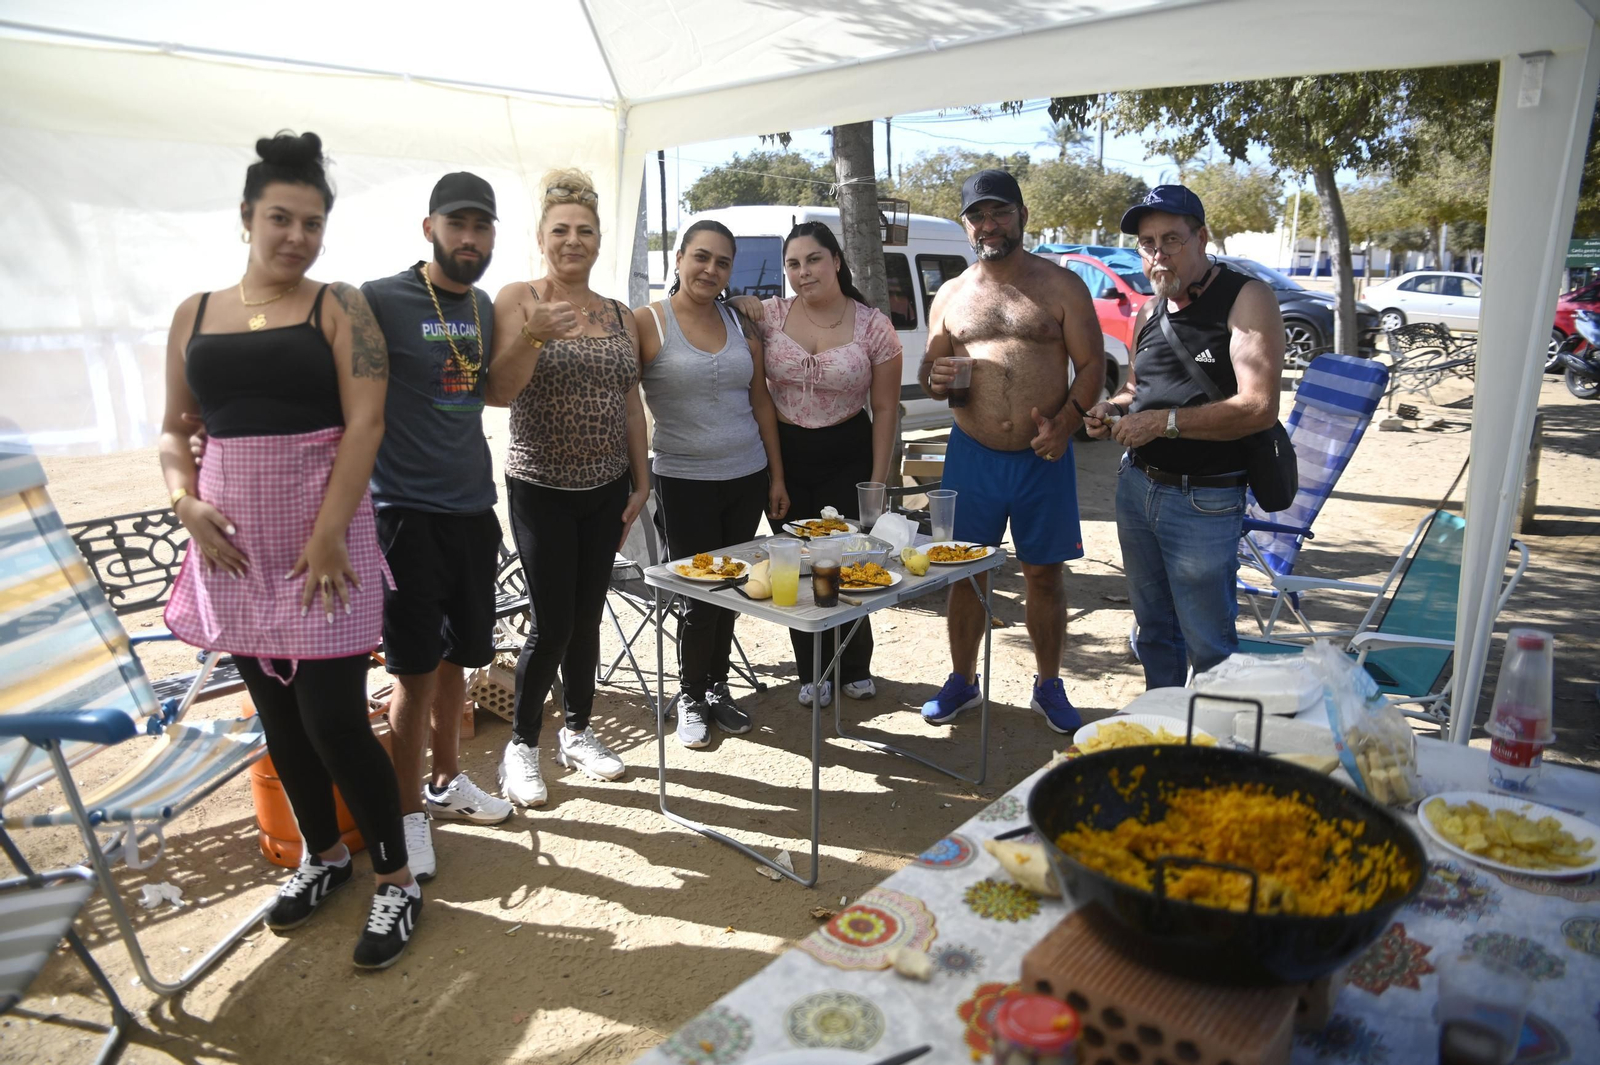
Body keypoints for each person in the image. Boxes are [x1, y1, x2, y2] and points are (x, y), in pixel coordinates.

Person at [159, 131, 421, 969]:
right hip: (232, 551)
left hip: (323, 547)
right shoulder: (194, 313)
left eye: (312, 223)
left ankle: (397, 877)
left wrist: (327, 533)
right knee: (278, 721)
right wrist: (184, 501)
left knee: (336, 721)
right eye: (281, 218)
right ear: (247, 216)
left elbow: (368, 422)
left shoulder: (340, 306)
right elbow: (174, 429)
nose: (297, 237)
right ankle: (323, 856)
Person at [359, 172, 514, 881]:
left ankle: (446, 782)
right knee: (412, 674)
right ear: (430, 228)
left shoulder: (482, 304)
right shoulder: (380, 300)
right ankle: (406, 819)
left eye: (482, 227)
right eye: (458, 225)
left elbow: (491, 389)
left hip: (472, 510)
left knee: (461, 659)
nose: (471, 239)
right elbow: (345, 391)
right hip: (404, 515)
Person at [917, 169, 1105, 733]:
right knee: (965, 575)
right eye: (978, 215)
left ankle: (1048, 686)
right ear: (966, 226)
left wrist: (1067, 423)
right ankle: (962, 681)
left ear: (1022, 216)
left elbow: (1092, 365)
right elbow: (933, 373)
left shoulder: (1062, 285)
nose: (989, 224)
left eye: (1000, 212)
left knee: (1043, 575)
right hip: (971, 453)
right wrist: (938, 378)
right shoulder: (950, 294)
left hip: (1041, 456)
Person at [487, 169, 648, 807]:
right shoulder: (518, 298)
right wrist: (533, 334)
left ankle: (577, 731)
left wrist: (643, 479)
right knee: (551, 622)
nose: (572, 241)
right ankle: (522, 746)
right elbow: (499, 390)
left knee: (587, 617)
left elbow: (630, 399)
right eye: (561, 231)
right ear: (541, 238)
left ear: (599, 239)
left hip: (607, 487)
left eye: (584, 231)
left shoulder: (617, 314)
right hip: (540, 485)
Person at [1083, 185, 1285, 688]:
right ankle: (1163, 731)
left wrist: (1162, 423)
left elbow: (1258, 406)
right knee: (1153, 632)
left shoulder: (1245, 297)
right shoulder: (1150, 311)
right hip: (1137, 487)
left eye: (1171, 239)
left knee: (1209, 643)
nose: (1158, 253)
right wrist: (1111, 406)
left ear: (1201, 238)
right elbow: (1137, 386)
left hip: (1205, 498)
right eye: (1148, 243)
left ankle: (1210, 751)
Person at [635, 221, 790, 748]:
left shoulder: (738, 319)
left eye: (723, 262)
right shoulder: (648, 322)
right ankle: (691, 695)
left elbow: (761, 401)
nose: (711, 270)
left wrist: (777, 475)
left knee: (732, 591)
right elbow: (628, 407)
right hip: (683, 480)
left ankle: (718, 687)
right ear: (678, 259)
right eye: (701, 257)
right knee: (700, 592)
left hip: (745, 476)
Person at [736, 222, 902, 707]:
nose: (802, 272)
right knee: (796, 564)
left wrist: (877, 481)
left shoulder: (873, 325)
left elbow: (887, 408)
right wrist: (738, 302)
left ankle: (853, 663)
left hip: (847, 452)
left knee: (846, 561)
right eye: (792, 263)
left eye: (813, 259)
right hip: (783, 453)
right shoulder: (769, 316)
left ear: (836, 261)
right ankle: (811, 668)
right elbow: (723, 313)